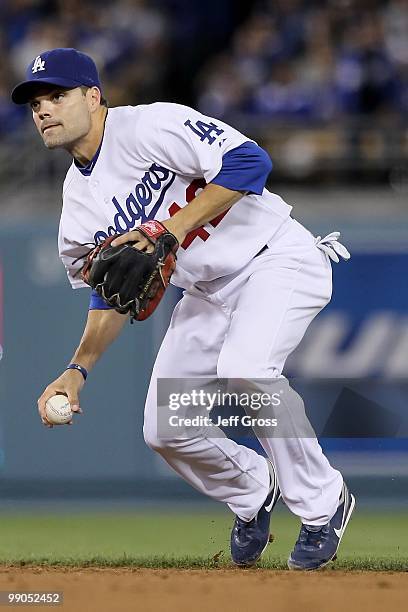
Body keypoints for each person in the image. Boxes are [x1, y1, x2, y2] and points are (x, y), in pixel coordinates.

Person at [12, 48, 355, 570]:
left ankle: (323, 503)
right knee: (166, 428)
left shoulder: (150, 126)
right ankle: (252, 489)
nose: (43, 109)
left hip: (274, 258)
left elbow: (250, 162)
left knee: (247, 370)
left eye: (57, 95)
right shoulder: (78, 208)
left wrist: (168, 231)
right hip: (207, 295)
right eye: (35, 101)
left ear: (93, 96)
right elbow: (110, 292)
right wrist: (77, 369)